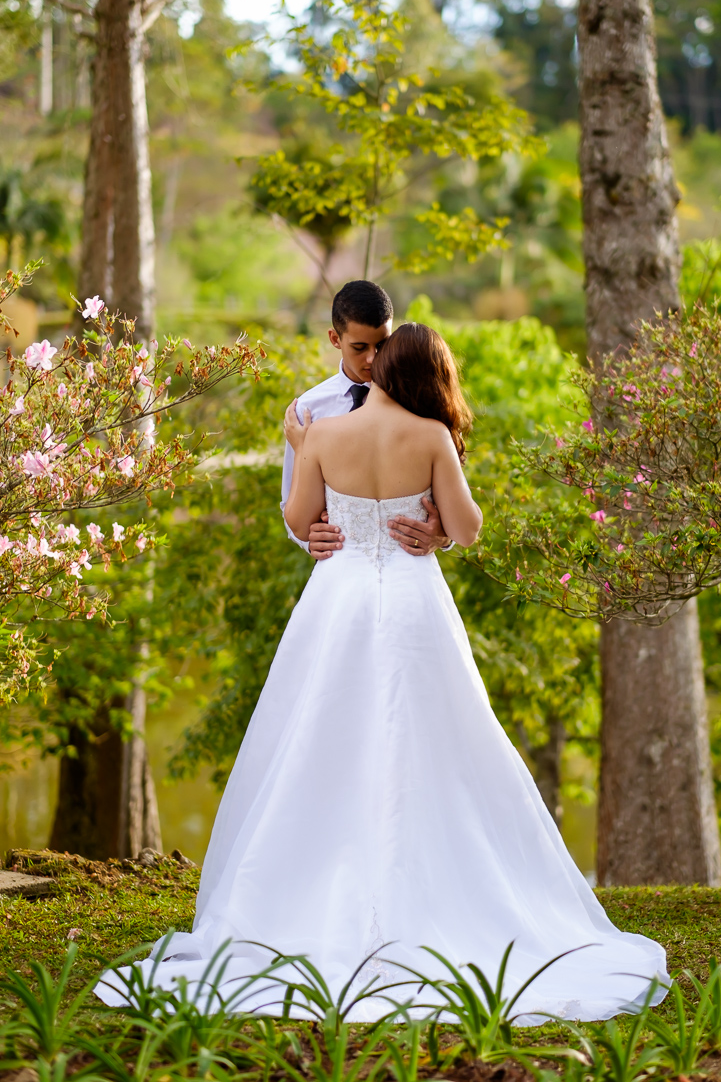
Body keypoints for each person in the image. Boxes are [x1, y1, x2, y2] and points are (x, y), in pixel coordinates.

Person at [96, 321, 668, 1024]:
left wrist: (305, 458)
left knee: (318, 743)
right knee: (436, 745)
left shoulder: (322, 434)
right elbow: (467, 528)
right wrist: (435, 528)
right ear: (429, 377)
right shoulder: (431, 437)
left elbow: (300, 518)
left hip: (334, 602)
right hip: (410, 603)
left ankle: (299, 898)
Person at [281, 279, 452, 560]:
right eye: (359, 347)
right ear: (335, 339)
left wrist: (443, 535)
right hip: (341, 564)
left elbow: (452, 489)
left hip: (409, 565)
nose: (372, 358)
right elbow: (289, 500)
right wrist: (307, 542)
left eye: (382, 344)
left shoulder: (415, 396)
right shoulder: (308, 410)